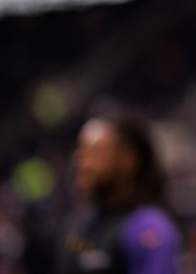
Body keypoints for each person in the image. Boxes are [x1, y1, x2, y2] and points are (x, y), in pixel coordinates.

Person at [62, 111, 182, 274]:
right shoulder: (78, 227)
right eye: (80, 150)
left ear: (129, 160)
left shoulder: (148, 228)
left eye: (95, 151)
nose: (80, 161)